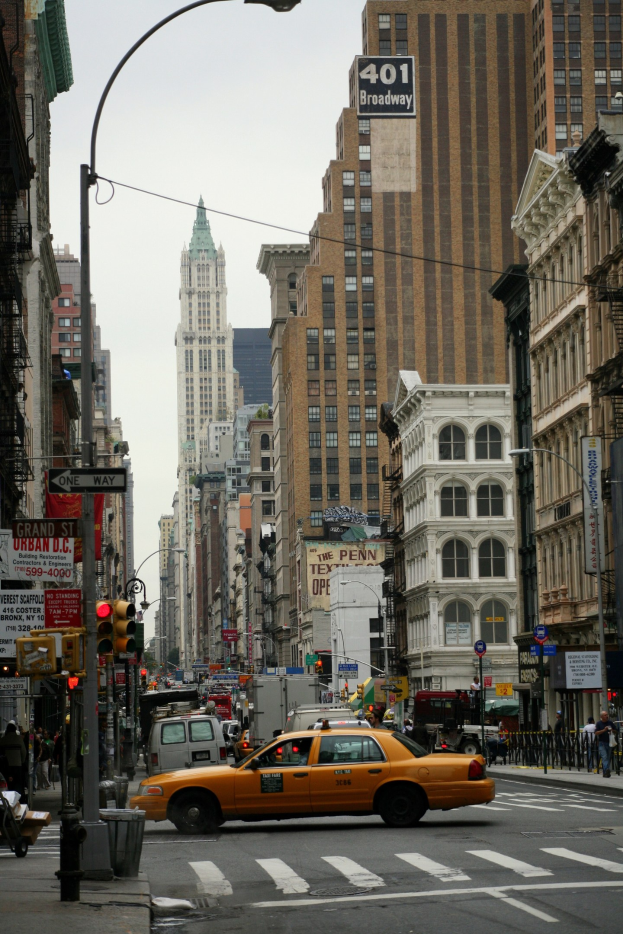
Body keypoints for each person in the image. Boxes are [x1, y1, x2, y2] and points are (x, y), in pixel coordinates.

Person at [0, 721, 27, 797]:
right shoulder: (19, 739)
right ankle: (17, 799)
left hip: (5, 767)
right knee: (18, 783)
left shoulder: (3, 740)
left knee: (7, 784)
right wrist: (22, 761)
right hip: (17, 765)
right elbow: (24, 752)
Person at [594, 710, 619, 778]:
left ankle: (605, 773)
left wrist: (612, 730)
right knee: (604, 757)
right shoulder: (599, 723)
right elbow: (596, 733)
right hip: (602, 743)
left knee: (608, 757)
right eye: (605, 715)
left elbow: (616, 730)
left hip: (609, 742)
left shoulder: (610, 722)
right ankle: (606, 770)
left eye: (607, 715)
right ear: (601, 716)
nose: (607, 716)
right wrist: (604, 730)